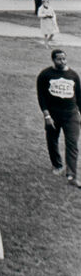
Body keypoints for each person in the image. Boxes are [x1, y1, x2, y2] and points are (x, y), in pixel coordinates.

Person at [36, 49, 81, 187]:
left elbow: (79, 97)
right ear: (53, 60)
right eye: (59, 59)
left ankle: (71, 175)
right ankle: (57, 165)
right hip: (53, 115)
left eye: (64, 58)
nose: (62, 61)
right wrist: (47, 115)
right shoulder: (45, 75)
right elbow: (41, 96)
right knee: (52, 140)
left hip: (71, 114)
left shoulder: (73, 75)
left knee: (72, 144)